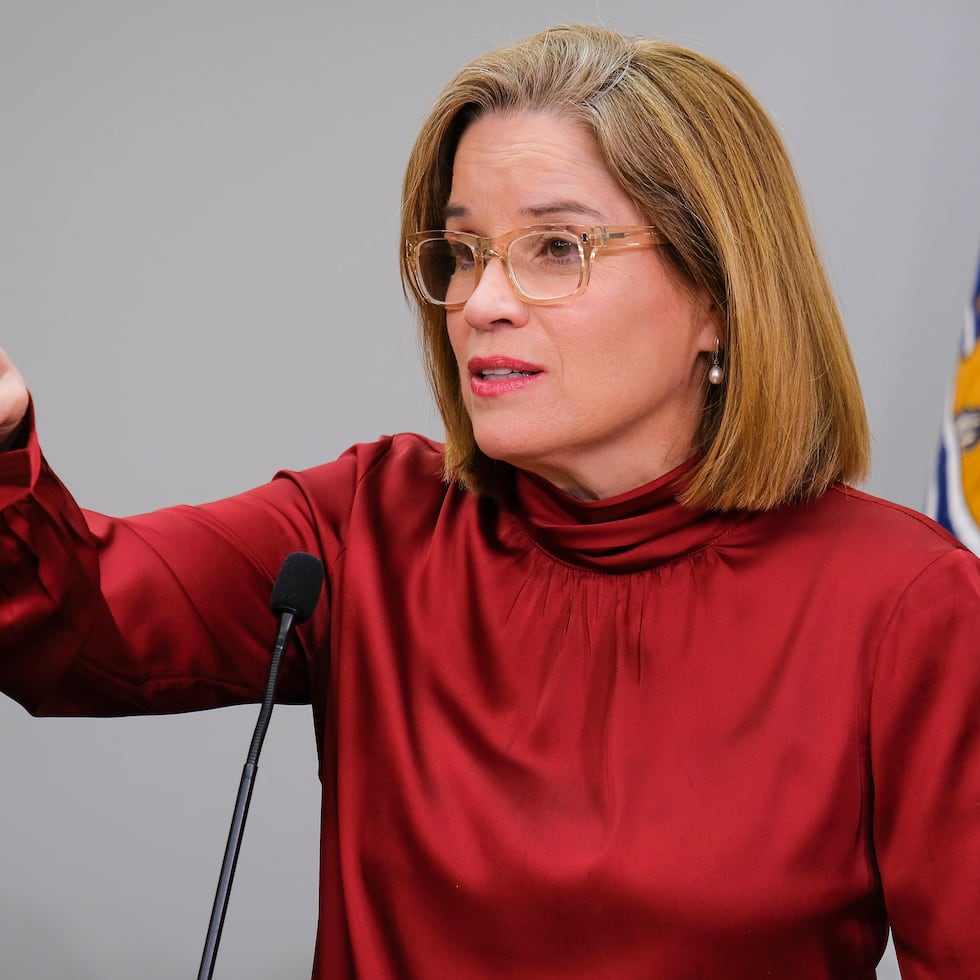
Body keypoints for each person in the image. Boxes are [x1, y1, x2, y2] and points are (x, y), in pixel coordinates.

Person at [2, 22, 979, 980]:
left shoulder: (905, 604)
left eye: (554, 247)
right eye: (463, 252)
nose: (480, 300)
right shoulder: (362, 532)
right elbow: (75, 622)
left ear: (717, 294)